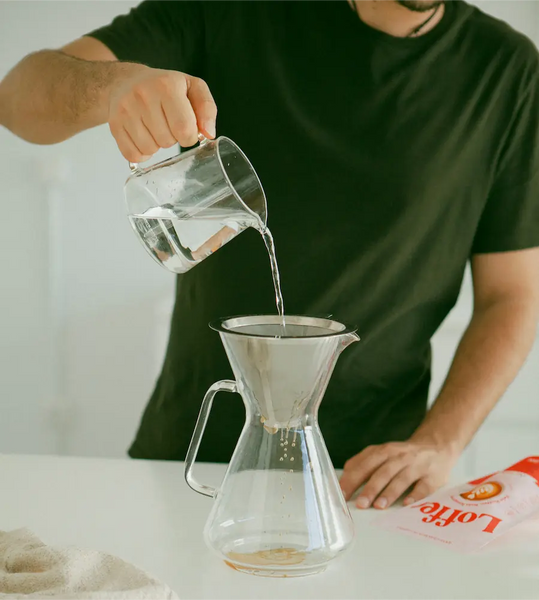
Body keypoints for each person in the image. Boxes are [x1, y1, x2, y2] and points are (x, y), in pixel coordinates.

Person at [2, 0, 539, 511]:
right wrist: (118, 85)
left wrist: (441, 442)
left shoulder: (506, 72)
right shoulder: (231, 11)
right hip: (190, 464)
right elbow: (18, 100)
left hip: (365, 485)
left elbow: (512, 295)